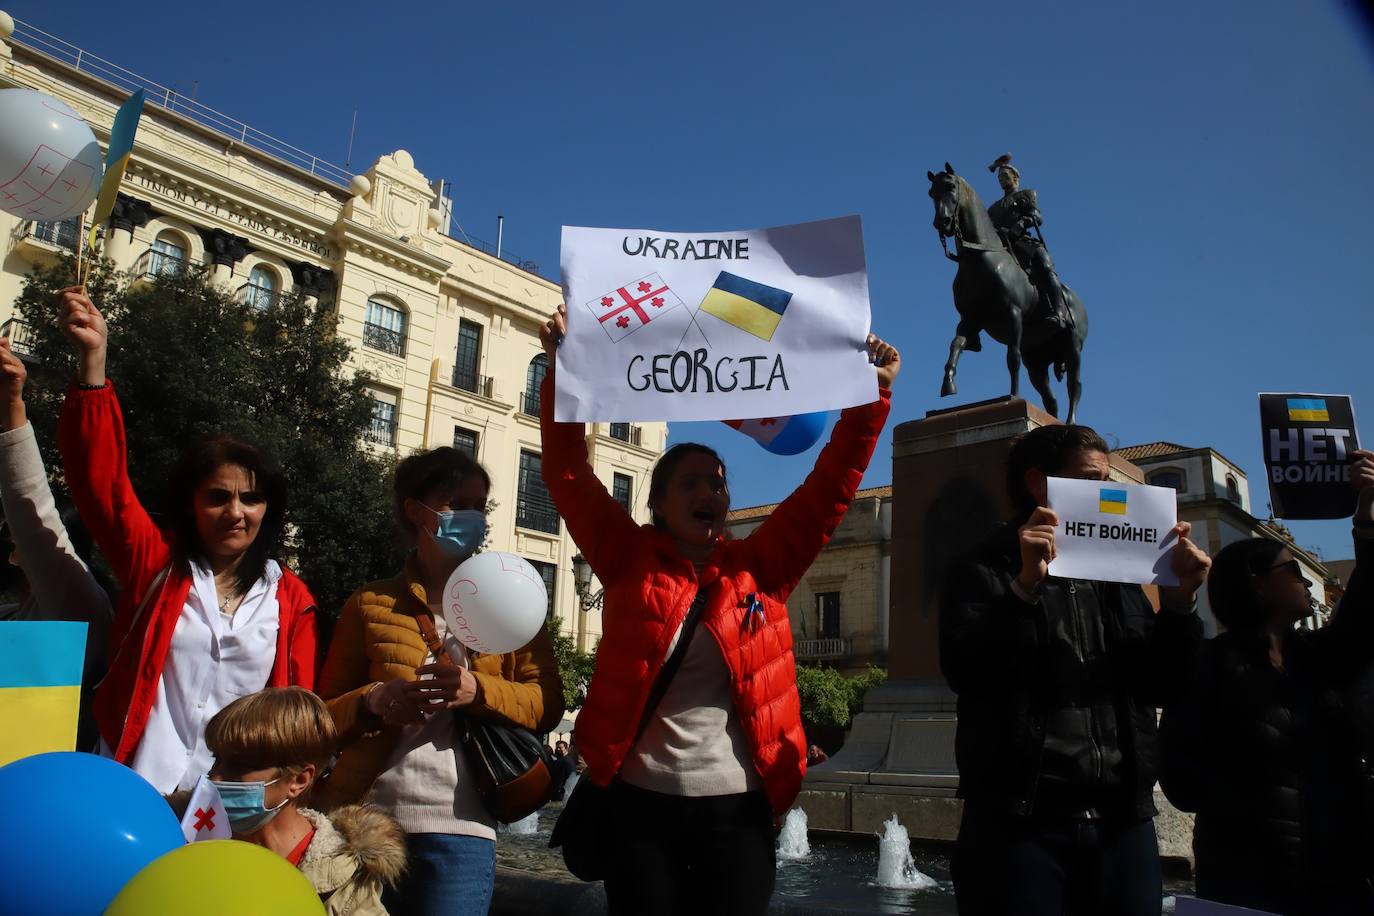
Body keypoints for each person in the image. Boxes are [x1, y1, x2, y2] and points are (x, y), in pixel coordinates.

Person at [539, 302, 900, 916]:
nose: (711, 491)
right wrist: (560, 369)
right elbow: (567, 471)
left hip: (738, 811)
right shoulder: (627, 558)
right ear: (658, 502)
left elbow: (830, 486)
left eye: (719, 481)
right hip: (638, 810)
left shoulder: (763, 566)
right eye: (692, 482)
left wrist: (872, 397)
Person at [55, 286, 318, 792]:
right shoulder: (155, 564)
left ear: (269, 509)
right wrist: (93, 362)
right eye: (218, 497)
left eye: (251, 499)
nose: (236, 513)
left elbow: (297, 713)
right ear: (191, 504)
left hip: (230, 809)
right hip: (132, 788)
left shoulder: (292, 599)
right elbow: (100, 484)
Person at [940, 423, 1210, 916]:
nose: (1107, 492)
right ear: (1039, 484)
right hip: (1021, 823)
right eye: (1091, 480)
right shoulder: (982, 567)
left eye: (1110, 481)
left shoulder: (1121, 575)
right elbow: (966, 669)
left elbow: (1165, 685)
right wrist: (1022, 589)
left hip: (1122, 823)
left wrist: (1178, 607)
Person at [316, 445, 564, 916]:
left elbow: (548, 702)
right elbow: (322, 714)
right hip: (362, 826)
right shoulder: (370, 603)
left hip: (462, 829)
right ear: (416, 511)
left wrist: (479, 691)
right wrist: (374, 699)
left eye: (479, 507)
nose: (472, 518)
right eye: (456, 505)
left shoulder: (515, 602)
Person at [1160, 449, 1374, 916]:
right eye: (1294, 571)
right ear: (1258, 584)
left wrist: (1365, 521)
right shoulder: (1208, 666)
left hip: (1339, 874)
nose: (1305, 583)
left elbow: (1366, 607)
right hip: (1249, 882)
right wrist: (1250, 801)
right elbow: (1180, 777)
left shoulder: (1321, 658)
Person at [178, 687, 406, 915]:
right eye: (217, 760)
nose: (216, 777)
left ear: (298, 780)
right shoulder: (180, 831)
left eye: (240, 766)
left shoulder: (343, 884)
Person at [0, 336, 114, 750]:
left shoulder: (78, 607)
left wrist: (12, 409)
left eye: (11, 527)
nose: (11, 534)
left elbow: (32, 509)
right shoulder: (11, 607)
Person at [986, 153, 1071, 330]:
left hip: (1024, 242)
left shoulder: (1026, 194)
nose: (1002, 180)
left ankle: (1059, 312)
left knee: (1046, 267)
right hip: (1003, 246)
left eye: (1005, 176)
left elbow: (1037, 216)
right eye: (1000, 178)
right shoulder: (993, 207)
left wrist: (1022, 223)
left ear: (1015, 177)